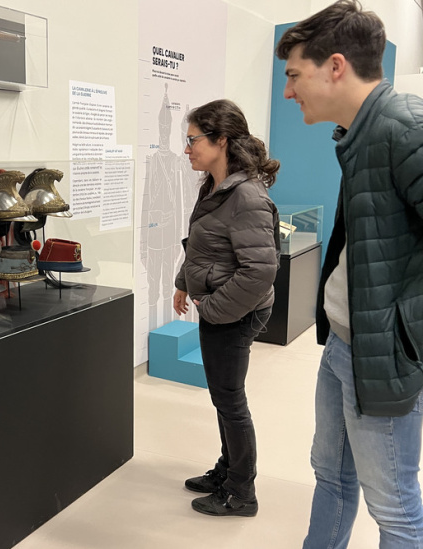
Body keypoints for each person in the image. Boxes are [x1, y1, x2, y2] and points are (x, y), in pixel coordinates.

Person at [276, 1, 423, 547]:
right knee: (331, 477)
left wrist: (402, 336)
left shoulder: (405, 127)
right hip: (343, 345)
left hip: (380, 357)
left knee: (395, 509)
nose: (288, 92)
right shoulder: (361, 134)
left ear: (335, 66)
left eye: (295, 75)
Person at [173, 99, 280, 517]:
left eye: (193, 140)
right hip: (221, 307)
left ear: (221, 140)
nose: (187, 149)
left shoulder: (246, 196)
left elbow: (260, 271)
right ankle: (228, 469)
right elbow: (205, 246)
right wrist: (184, 282)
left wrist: (214, 308)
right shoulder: (216, 187)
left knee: (231, 401)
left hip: (235, 311)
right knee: (223, 397)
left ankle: (241, 491)